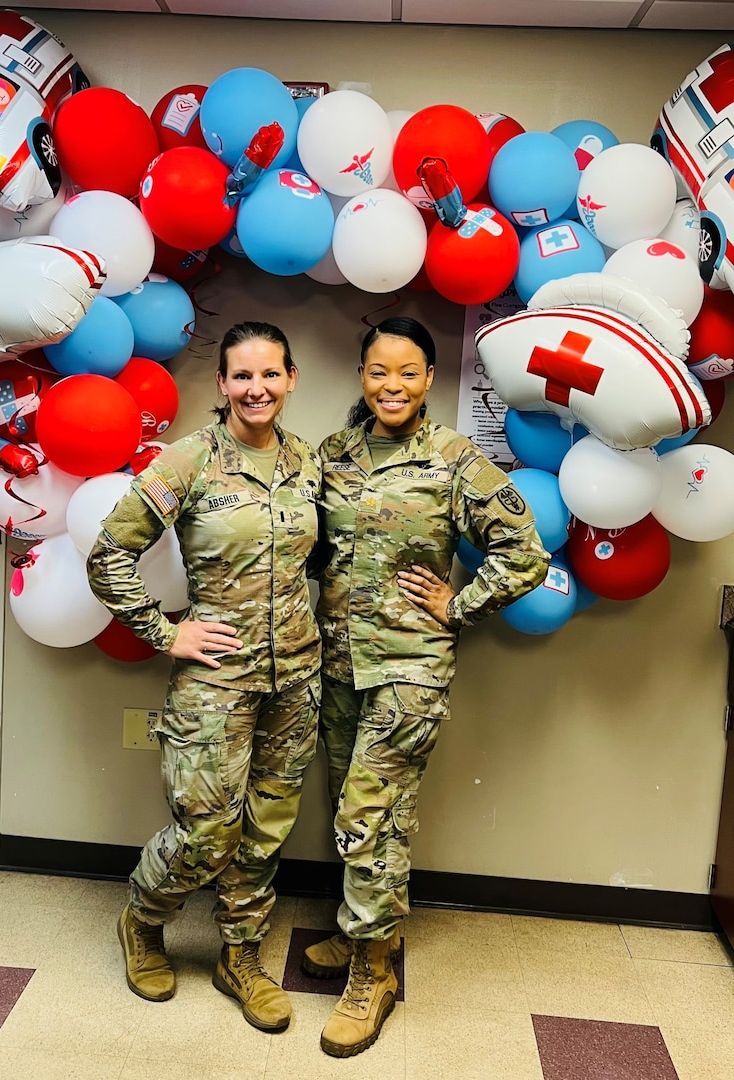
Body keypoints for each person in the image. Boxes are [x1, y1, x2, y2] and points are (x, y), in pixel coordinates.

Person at [302, 316, 551, 1058]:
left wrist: (458, 603)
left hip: (411, 669)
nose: (392, 385)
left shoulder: (453, 460)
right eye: (379, 371)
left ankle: (372, 973)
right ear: (360, 376)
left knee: (366, 811)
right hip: (340, 664)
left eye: (407, 372)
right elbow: (304, 548)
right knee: (368, 807)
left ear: (429, 380)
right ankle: (362, 934)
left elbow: (524, 554)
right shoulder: (333, 455)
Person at [87, 321, 321, 1034]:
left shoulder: (306, 464)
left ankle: (240, 956)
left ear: (290, 379)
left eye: (270, 375)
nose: (256, 388)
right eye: (241, 376)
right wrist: (167, 632)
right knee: (206, 832)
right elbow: (106, 558)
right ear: (221, 384)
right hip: (216, 680)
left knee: (265, 826)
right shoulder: (186, 461)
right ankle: (143, 918)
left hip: (295, 679)